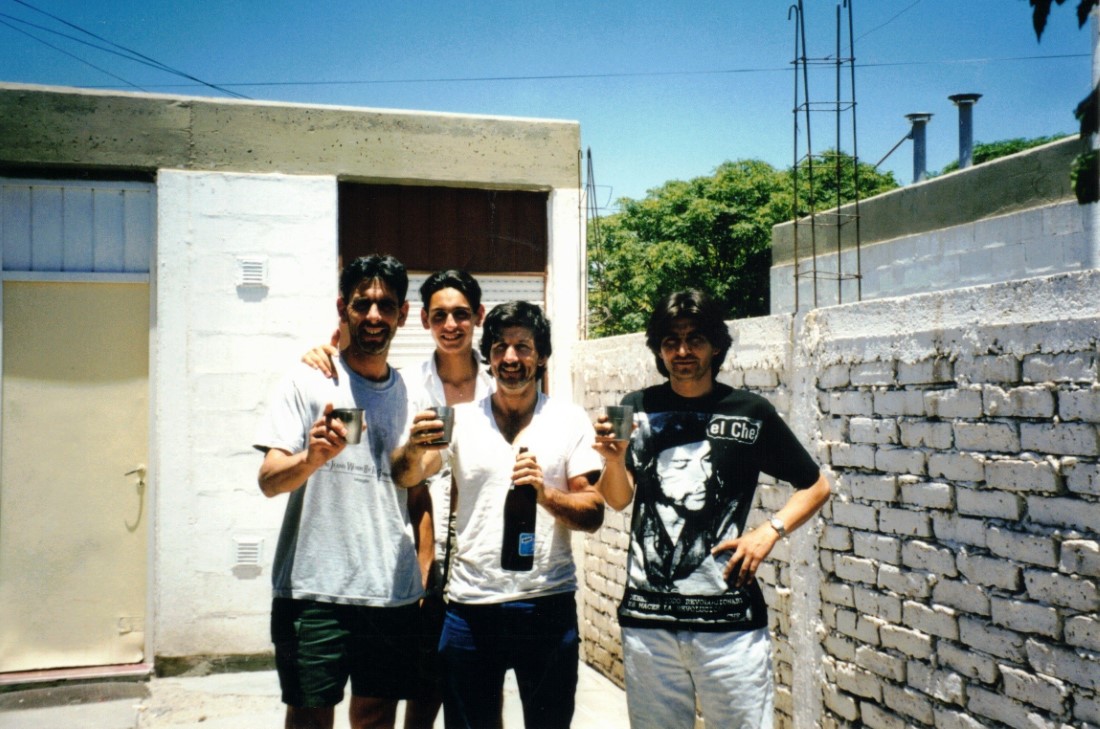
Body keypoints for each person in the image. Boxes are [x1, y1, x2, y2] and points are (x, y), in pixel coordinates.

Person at [594, 289, 831, 729]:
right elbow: (619, 498)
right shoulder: (635, 407)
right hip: (649, 626)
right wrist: (612, 459)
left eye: (695, 339)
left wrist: (769, 531)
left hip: (730, 628)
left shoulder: (749, 411)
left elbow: (816, 486)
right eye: (670, 341)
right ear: (659, 349)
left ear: (716, 345)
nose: (682, 351)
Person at [392, 300, 607, 729]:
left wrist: (545, 494)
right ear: (487, 356)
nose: (511, 358)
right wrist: (414, 448)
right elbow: (407, 475)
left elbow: (593, 510)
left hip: (545, 606)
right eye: (500, 348)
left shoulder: (568, 419)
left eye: (523, 347)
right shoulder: (461, 420)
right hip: (471, 609)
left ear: (541, 356)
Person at [303, 269, 495, 729]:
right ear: (424, 320)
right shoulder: (405, 384)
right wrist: (323, 350)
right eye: (440, 316)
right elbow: (413, 488)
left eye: (462, 315)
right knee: (414, 681)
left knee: (457, 688)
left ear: (479, 318)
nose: (451, 325)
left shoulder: (501, 388)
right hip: (416, 560)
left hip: (481, 556)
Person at [254, 254, 433, 729]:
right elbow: (269, 480)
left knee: (375, 718)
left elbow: (417, 495)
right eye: (362, 304)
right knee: (310, 717)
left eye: (386, 305)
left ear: (403, 314)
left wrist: (422, 575)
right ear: (343, 308)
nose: (374, 316)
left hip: (389, 594)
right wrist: (310, 459)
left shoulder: (413, 395)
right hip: (312, 590)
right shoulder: (309, 380)